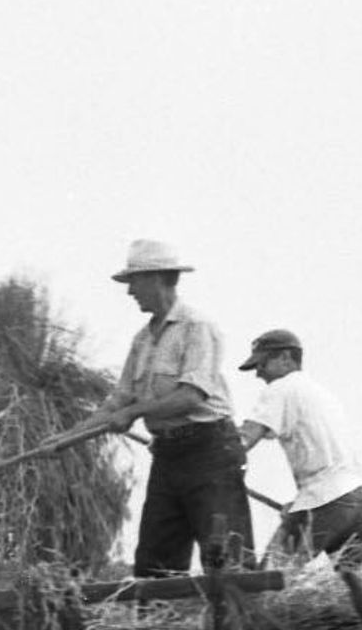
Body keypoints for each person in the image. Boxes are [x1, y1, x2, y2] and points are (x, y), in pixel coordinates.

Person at [93, 238, 250, 577]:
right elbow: (118, 401)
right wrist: (65, 437)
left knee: (228, 564)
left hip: (210, 453)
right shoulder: (142, 340)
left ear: (156, 278)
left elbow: (191, 396)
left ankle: (241, 627)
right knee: (154, 566)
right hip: (167, 456)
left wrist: (134, 413)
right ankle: (158, 626)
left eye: (133, 281)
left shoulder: (198, 327)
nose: (130, 291)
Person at [235, 328, 362, 566]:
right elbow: (329, 461)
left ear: (285, 358)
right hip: (361, 499)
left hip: (326, 499)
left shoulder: (280, 388)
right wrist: (300, 504)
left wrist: (200, 455)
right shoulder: (321, 394)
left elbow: (242, 441)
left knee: (271, 581)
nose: (258, 374)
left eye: (262, 364)